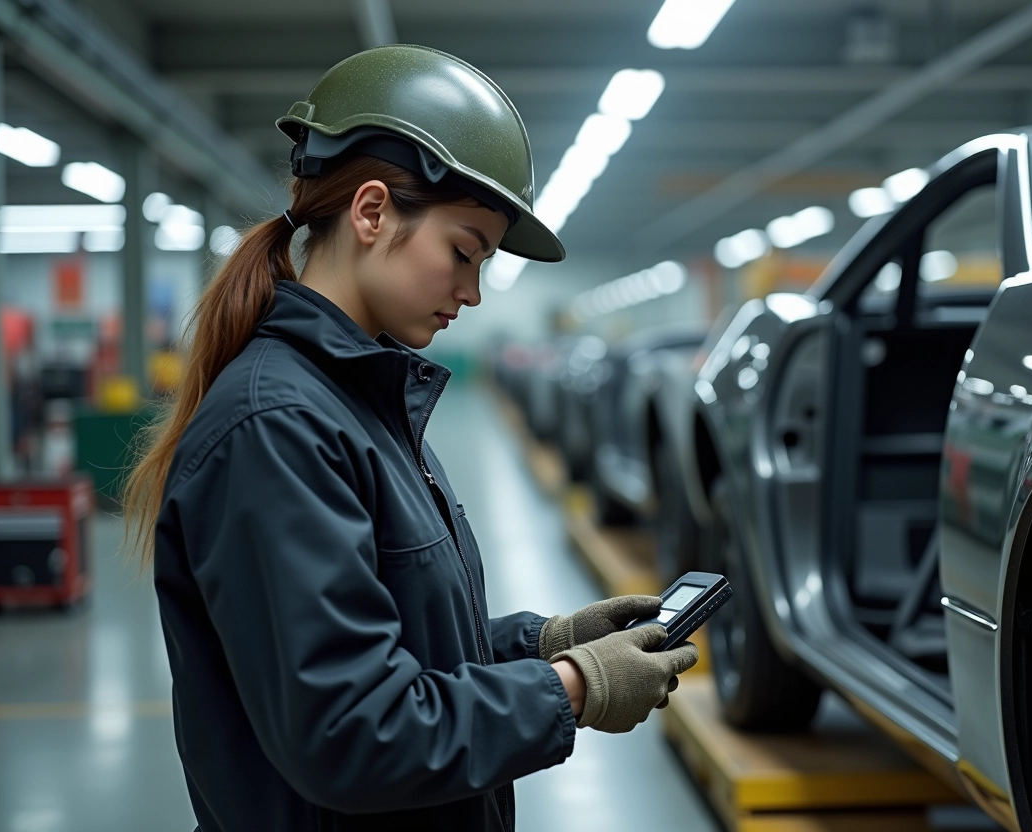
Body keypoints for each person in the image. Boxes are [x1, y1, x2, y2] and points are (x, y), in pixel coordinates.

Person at [121, 45, 698, 832]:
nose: (472, 290)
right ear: (370, 213)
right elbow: (351, 731)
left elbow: (396, 649)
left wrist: (541, 644)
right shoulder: (278, 428)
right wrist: (571, 687)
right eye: (464, 252)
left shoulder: (360, 403)